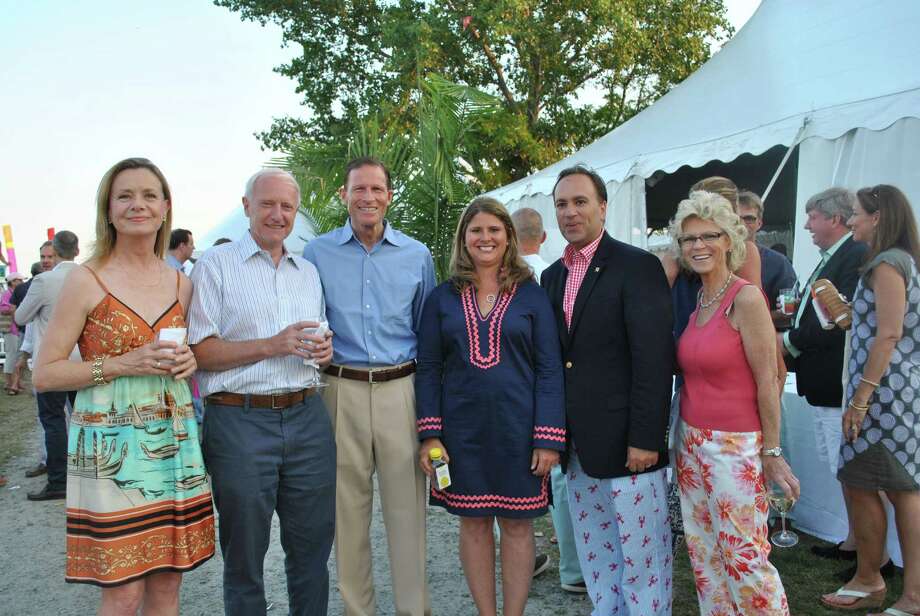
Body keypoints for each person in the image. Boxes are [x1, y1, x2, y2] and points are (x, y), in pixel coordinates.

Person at [32, 158, 215, 612]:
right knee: (123, 587)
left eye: (149, 195)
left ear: (165, 206)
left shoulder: (182, 283)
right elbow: (45, 372)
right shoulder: (85, 278)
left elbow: (185, 359)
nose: (138, 205)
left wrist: (189, 360)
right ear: (109, 209)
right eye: (125, 196)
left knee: (168, 582)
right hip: (109, 447)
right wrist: (119, 364)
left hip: (173, 443)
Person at [189, 168, 335, 616]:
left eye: (287, 206)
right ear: (246, 206)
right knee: (245, 554)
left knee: (312, 551)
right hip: (240, 420)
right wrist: (272, 345)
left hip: (308, 415)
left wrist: (324, 352)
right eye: (267, 204)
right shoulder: (215, 265)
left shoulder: (307, 271)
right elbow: (200, 351)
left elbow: (315, 343)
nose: (277, 214)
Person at [416, 197, 564, 615]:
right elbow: (427, 368)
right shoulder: (442, 298)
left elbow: (550, 369)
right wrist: (430, 435)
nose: (485, 238)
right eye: (476, 230)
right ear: (464, 238)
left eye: (494, 230)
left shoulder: (532, 296)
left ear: (508, 236)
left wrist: (548, 437)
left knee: (518, 526)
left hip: (520, 431)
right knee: (474, 523)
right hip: (461, 435)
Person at [302, 156, 435, 616]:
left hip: (402, 389)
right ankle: (358, 610)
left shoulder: (417, 255)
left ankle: (413, 610)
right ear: (344, 195)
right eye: (359, 189)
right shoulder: (316, 254)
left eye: (377, 189)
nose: (368, 198)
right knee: (347, 514)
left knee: (407, 514)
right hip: (341, 390)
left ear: (389, 196)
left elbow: (427, 333)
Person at [542, 165, 674, 615]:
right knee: (597, 557)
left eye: (580, 202)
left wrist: (645, 438)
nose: (570, 212)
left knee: (642, 561)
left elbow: (655, 361)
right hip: (580, 449)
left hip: (629, 448)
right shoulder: (552, 277)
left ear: (602, 206)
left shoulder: (637, 266)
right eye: (562, 204)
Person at [670, 190, 799, 614]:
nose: (699, 246)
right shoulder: (697, 304)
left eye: (709, 236)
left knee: (745, 558)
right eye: (689, 239)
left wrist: (773, 451)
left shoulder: (745, 298)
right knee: (705, 558)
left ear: (729, 240)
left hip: (734, 449)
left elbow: (769, 378)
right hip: (689, 444)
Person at [821, 185, 920, 614]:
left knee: (899, 489)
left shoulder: (887, 264)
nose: (852, 220)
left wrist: (861, 399)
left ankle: (911, 593)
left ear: (878, 217)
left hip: (885, 396)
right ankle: (869, 577)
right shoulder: (896, 262)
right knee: (860, 480)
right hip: (891, 392)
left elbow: (890, 334)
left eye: (857, 214)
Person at [778, 188, 873, 572]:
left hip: (839, 383)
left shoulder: (854, 256)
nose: (806, 225)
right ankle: (855, 542)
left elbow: (833, 322)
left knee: (855, 474)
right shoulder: (835, 256)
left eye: (812, 217)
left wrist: (787, 342)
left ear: (835, 219)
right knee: (843, 471)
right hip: (823, 384)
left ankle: (872, 556)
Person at [510, 206, 585, 593]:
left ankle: (521, 553)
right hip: (552, 388)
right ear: (542, 237)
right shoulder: (558, 275)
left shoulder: (501, 276)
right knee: (560, 475)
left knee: (504, 469)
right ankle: (573, 569)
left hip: (510, 393)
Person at [15, 230, 82, 501]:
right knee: (84, 418)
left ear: (54, 250)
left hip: (53, 361)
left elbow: (21, 316)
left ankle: (58, 481)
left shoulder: (44, 281)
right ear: (77, 251)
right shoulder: (89, 276)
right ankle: (88, 476)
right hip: (84, 362)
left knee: (54, 421)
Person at [737, 190, 797, 309]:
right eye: (736, 218)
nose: (741, 224)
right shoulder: (716, 261)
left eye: (749, 218)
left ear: (759, 223)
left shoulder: (779, 263)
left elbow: (790, 311)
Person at [1, 272, 26, 394]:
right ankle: (9, 382)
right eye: (19, 280)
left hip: (14, 328)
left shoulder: (13, 293)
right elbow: (3, 309)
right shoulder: (7, 294)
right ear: (13, 281)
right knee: (12, 355)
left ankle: (13, 382)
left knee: (15, 355)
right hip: (10, 328)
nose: (21, 282)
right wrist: (13, 309)